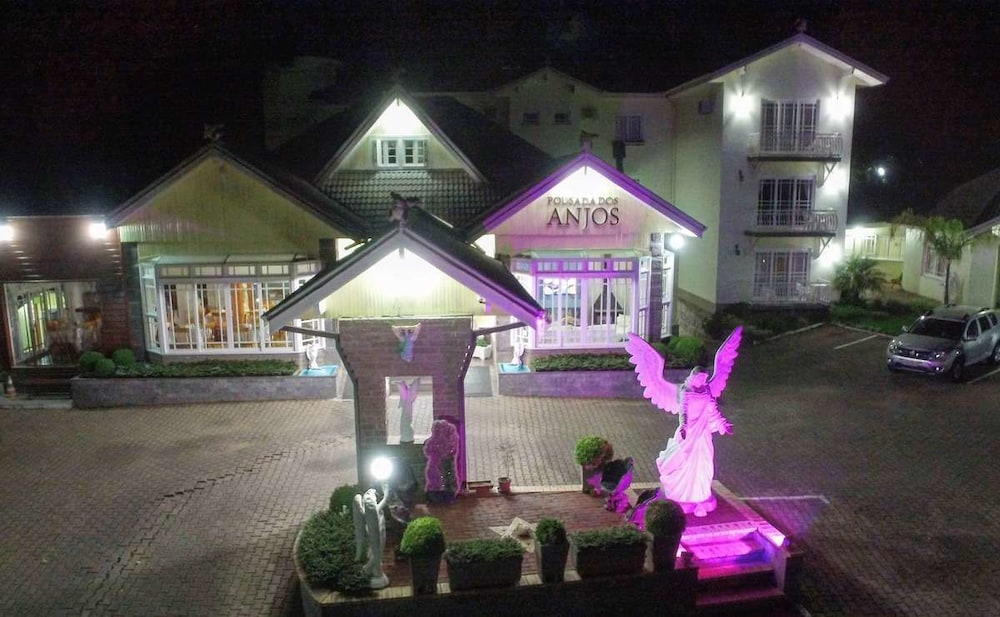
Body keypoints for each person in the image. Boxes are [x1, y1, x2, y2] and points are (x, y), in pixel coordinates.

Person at [626, 326, 742, 516]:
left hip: (703, 434)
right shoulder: (685, 392)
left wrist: (723, 424)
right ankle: (681, 495)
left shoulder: (706, 391)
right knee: (682, 462)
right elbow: (684, 411)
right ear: (693, 377)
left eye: (704, 379)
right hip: (688, 432)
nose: (702, 382)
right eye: (700, 379)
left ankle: (699, 496)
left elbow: (713, 411)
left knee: (703, 464)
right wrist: (684, 427)